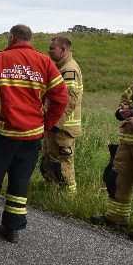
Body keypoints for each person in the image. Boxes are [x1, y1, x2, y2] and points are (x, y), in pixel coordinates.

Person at [0, 25, 68, 243]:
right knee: (20, 181)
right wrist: (44, 125)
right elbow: (61, 98)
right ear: (30, 40)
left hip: (2, 133)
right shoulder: (45, 62)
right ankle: (12, 229)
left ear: (11, 38)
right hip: (32, 135)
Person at [91, 39, 133, 242]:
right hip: (127, 142)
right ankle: (117, 216)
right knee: (116, 179)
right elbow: (125, 97)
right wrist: (123, 111)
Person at [40, 36, 83, 194]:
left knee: (63, 166)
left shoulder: (69, 69)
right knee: (50, 162)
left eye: (52, 48)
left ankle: (69, 197)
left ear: (63, 50)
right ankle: (52, 193)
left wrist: (54, 123)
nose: (49, 51)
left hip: (63, 128)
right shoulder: (60, 67)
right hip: (55, 126)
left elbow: (68, 100)